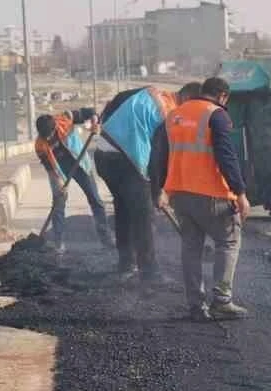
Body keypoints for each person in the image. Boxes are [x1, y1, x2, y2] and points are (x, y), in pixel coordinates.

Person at [152, 76, 249, 322]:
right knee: (228, 242)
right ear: (222, 96)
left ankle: (196, 306)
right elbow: (227, 156)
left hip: (180, 196)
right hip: (212, 195)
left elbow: (159, 157)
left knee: (191, 249)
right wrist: (240, 192)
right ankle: (221, 301)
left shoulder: (173, 116)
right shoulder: (216, 115)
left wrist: (159, 190)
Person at [95, 86, 179, 282]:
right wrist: (158, 191)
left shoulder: (148, 92)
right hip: (125, 159)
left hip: (103, 154)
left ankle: (126, 264)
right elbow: (158, 156)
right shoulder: (168, 111)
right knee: (144, 215)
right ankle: (150, 273)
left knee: (123, 209)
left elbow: (113, 103)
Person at [34, 111, 112, 251]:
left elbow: (89, 112)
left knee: (95, 199)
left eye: (51, 134)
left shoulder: (65, 120)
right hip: (58, 169)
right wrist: (58, 183)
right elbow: (49, 167)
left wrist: (94, 122)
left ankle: (106, 239)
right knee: (58, 204)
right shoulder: (40, 144)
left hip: (79, 162)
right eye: (46, 137)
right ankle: (59, 244)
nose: (50, 138)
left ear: (55, 127)